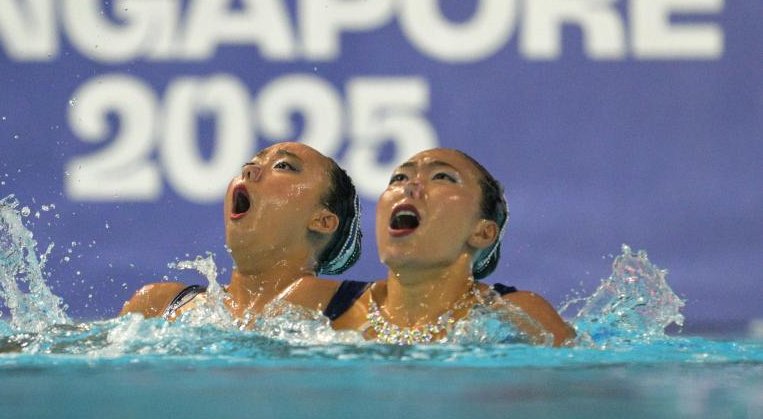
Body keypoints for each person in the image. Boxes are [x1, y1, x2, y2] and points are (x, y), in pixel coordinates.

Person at [331, 148, 575, 345]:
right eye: (399, 178)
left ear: (482, 233)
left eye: (442, 177)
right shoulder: (322, 305)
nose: (409, 186)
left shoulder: (517, 315)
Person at [121, 142, 365, 325]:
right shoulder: (156, 306)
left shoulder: (359, 310)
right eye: (251, 163)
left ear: (322, 221)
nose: (250, 170)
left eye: (283, 166)